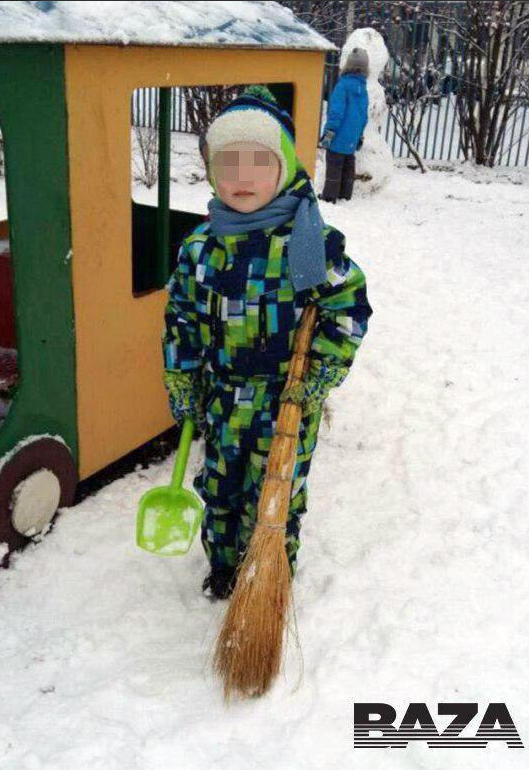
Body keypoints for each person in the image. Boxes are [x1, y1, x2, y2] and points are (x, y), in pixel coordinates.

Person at [162, 86, 373, 600]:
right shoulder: (201, 247)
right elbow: (182, 319)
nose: (242, 176)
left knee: (275, 493)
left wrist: (318, 376)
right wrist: (183, 377)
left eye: (259, 161)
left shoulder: (304, 242)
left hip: (286, 402)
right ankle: (224, 568)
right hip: (222, 398)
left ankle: (270, 574)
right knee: (219, 487)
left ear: (284, 167)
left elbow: (347, 309)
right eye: (228, 162)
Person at [319, 47, 369, 203]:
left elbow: (336, 113)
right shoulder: (363, 89)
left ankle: (329, 196)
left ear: (347, 65)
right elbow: (363, 115)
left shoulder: (342, 86)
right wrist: (359, 134)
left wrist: (329, 132)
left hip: (338, 134)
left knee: (334, 164)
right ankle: (345, 195)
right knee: (348, 163)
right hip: (353, 135)